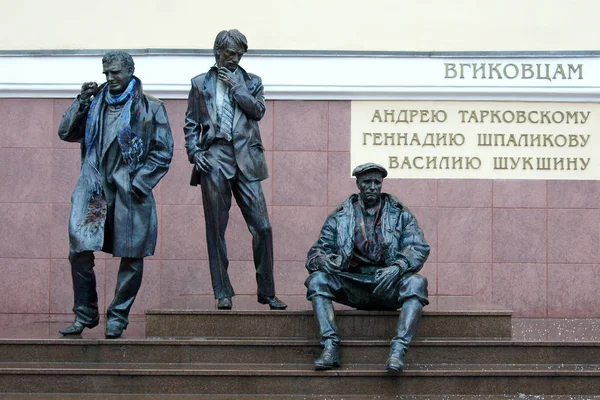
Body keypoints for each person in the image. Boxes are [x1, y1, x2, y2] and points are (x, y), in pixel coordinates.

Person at [57, 51, 174, 338]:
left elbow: (163, 151)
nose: (109, 78)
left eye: (115, 73)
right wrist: (80, 102)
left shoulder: (151, 107)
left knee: (132, 257)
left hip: (129, 190)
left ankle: (118, 317)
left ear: (130, 71)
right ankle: (85, 313)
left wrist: (139, 183)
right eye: (106, 72)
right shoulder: (94, 102)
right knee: (79, 250)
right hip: (94, 188)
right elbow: (66, 132)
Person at [184, 29, 286, 310]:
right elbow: (192, 124)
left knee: (263, 227)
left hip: (247, 160)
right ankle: (222, 292)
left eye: (239, 54)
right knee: (216, 229)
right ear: (217, 52)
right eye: (230, 54)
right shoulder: (200, 83)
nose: (235, 59)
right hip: (215, 155)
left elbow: (257, 111)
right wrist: (195, 152)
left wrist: (237, 89)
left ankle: (266, 292)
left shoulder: (252, 82)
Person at [305, 163, 430, 374]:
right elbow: (317, 252)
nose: (372, 187)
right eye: (367, 182)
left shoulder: (399, 213)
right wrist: (322, 260)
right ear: (358, 184)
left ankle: (398, 351)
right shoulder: (341, 215)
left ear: (381, 185)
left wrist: (398, 267)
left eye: (376, 182)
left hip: (387, 283)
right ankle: (330, 346)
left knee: (417, 283)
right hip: (353, 283)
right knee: (317, 280)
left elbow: (418, 247)